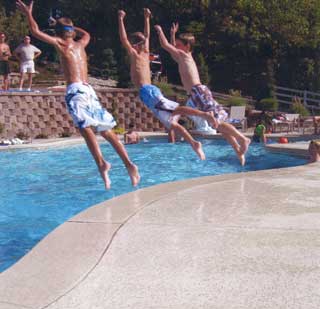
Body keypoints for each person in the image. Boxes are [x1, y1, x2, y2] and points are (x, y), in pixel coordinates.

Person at [17, 0, 140, 190]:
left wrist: (28, 14)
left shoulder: (61, 43)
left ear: (58, 32)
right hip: (89, 90)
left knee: (85, 128)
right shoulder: (81, 44)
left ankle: (101, 163)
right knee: (106, 130)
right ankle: (129, 164)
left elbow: (34, 31)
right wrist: (73, 27)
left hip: (76, 90)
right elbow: (87, 34)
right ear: (72, 31)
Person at [118, 8, 214, 160]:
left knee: (176, 113)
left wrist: (121, 19)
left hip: (148, 92)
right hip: (149, 93)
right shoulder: (140, 52)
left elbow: (126, 39)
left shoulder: (137, 53)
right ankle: (194, 143)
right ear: (138, 44)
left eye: (142, 42)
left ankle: (203, 116)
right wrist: (146, 18)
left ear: (135, 45)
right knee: (172, 122)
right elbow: (145, 36)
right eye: (142, 42)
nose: (144, 43)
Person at [154, 23, 251, 165]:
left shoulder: (184, 55)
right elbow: (172, 46)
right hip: (197, 93)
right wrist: (173, 34)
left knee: (216, 123)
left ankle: (242, 139)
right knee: (218, 124)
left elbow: (165, 45)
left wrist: (160, 30)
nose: (176, 46)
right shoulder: (184, 56)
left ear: (186, 46)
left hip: (198, 92)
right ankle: (238, 150)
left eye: (179, 44)